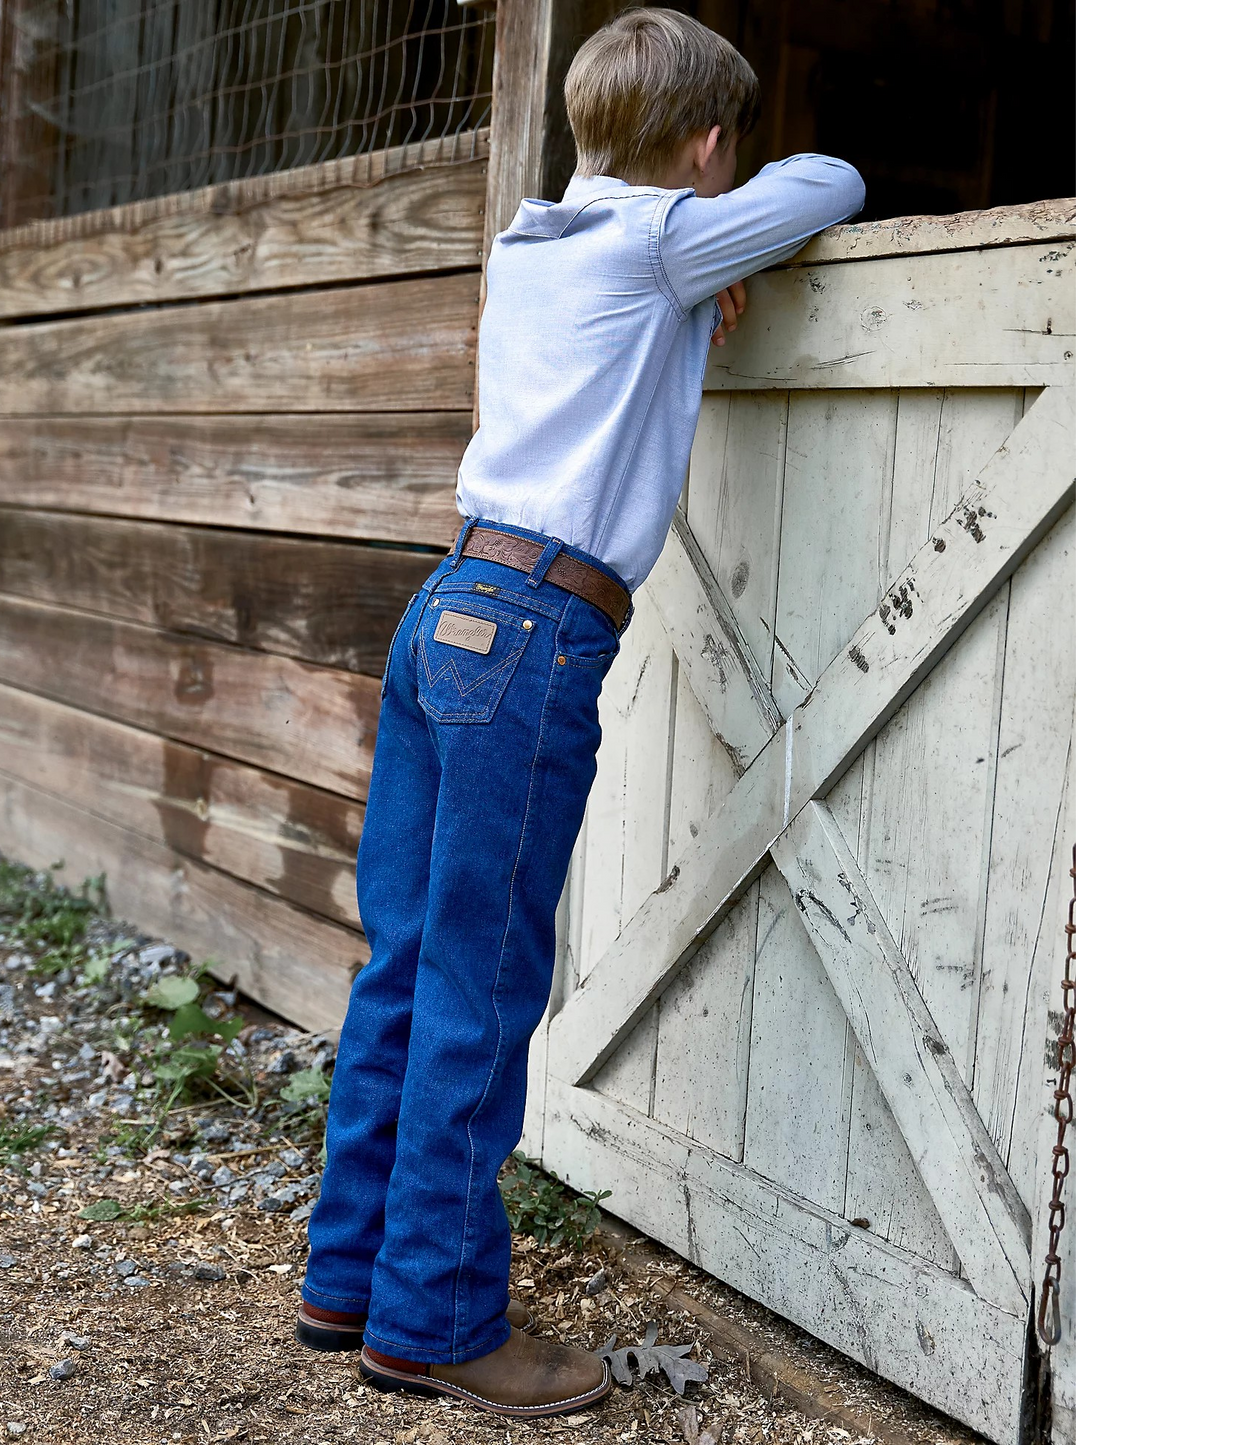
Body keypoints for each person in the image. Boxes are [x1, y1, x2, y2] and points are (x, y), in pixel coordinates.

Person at [297, 8, 864, 1420]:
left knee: (408, 960)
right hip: (537, 638)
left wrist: (695, 258)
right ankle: (435, 1321)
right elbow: (839, 181)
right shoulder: (667, 242)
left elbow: (669, 247)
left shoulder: (536, 243)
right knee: (483, 985)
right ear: (712, 143)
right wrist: (717, 239)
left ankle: (348, 1276)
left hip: (449, 610)